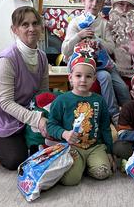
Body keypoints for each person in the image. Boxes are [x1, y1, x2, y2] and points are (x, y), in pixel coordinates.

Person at [0, 6, 49, 170]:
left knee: (45, 146)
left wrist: (48, 116)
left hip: (20, 108)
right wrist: (37, 120)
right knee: (16, 159)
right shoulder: (6, 60)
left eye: (35, 23)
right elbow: (5, 103)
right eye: (24, 24)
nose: (31, 29)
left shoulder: (42, 57)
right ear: (14, 29)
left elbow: (43, 95)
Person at [61, 0, 130, 125]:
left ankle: (129, 115)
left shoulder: (104, 25)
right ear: (84, 0)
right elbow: (65, 50)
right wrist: (79, 36)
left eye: (98, 1)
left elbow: (112, 48)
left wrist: (98, 40)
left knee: (123, 87)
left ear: (102, 4)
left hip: (102, 63)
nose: (94, 4)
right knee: (104, 77)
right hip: (83, 64)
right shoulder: (76, 23)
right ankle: (113, 115)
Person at [47, 45, 114, 186]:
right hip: (72, 147)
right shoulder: (61, 100)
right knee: (70, 180)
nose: (83, 80)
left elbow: (105, 127)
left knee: (103, 172)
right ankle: (80, 166)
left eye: (88, 76)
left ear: (94, 79)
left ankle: (88, 166)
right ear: (70, 77)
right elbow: (51, 125)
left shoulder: (99, 100)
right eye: (78, 76)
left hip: (95, 147)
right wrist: (64, 133)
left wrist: (109, 151)